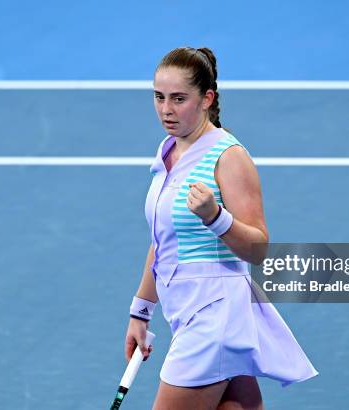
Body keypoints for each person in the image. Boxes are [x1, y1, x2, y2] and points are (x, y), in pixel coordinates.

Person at [124, 46, 318, 409]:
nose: (166, 109)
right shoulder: (169, 150)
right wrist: (141, 311)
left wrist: (216, 216)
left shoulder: (229, 157)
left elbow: (259, 248)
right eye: (159, 97)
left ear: (206, 98)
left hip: (214, 316)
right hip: (186, 310)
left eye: (179, 99)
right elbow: (163, 240)